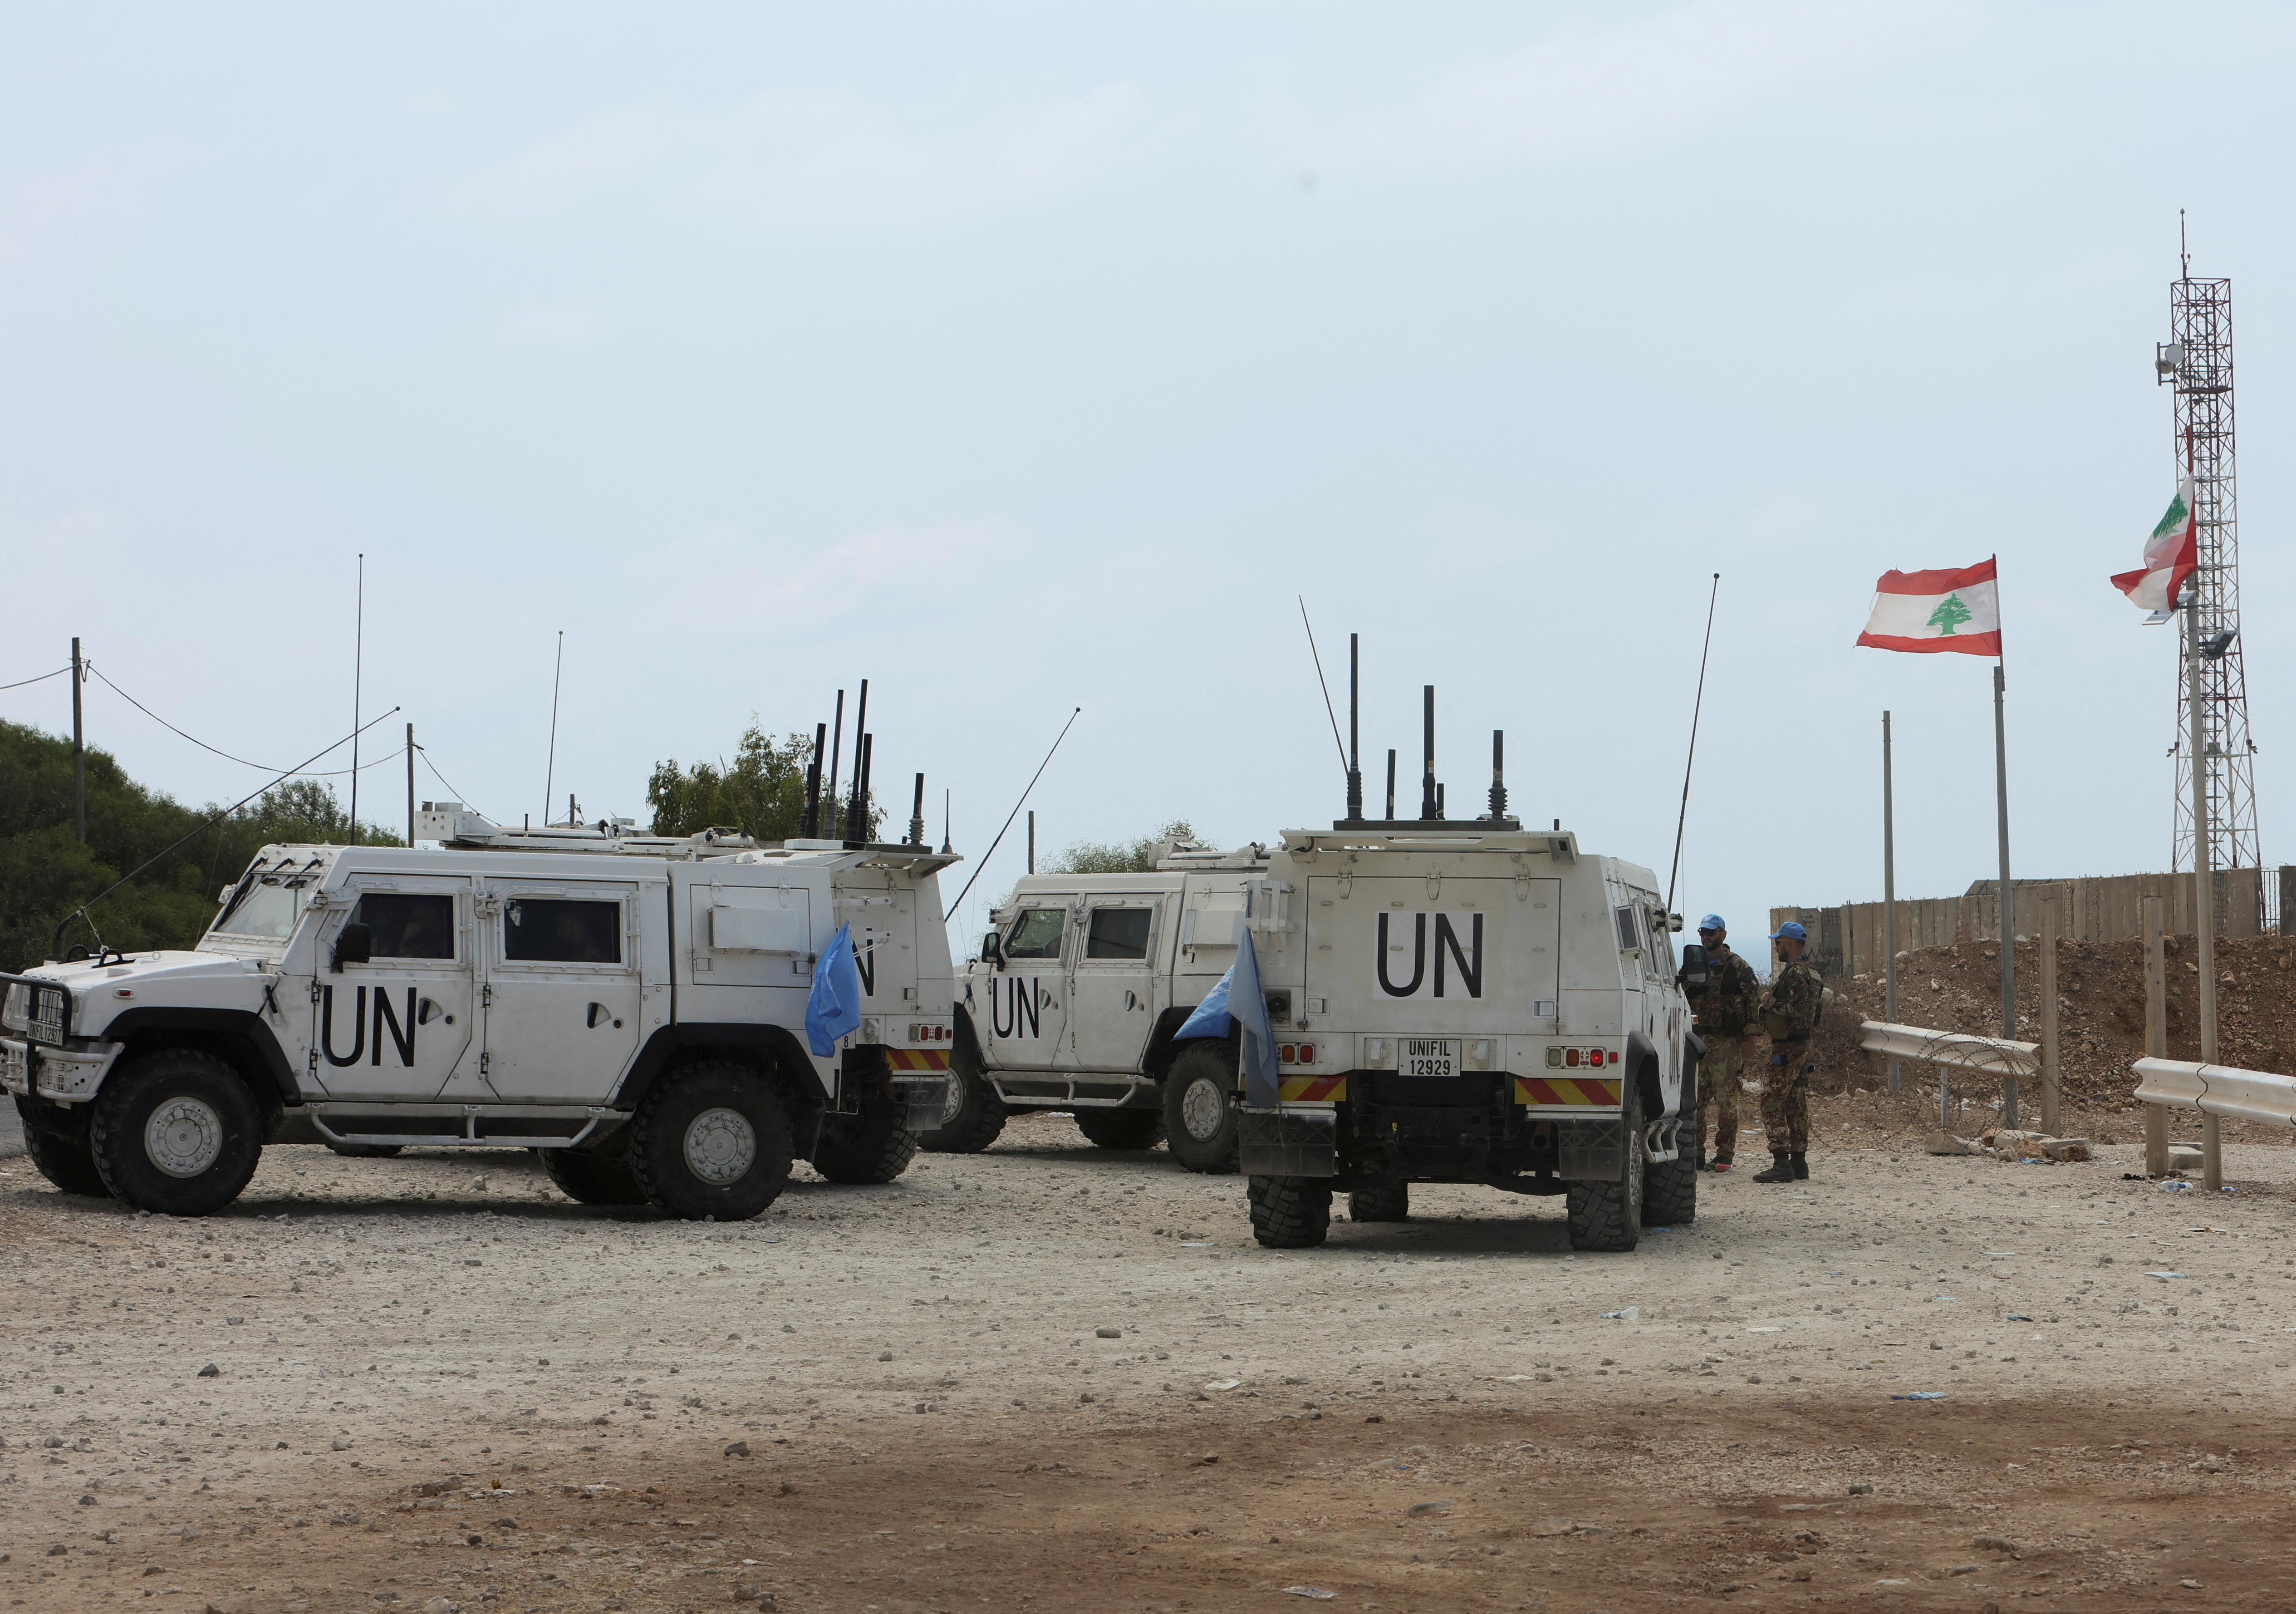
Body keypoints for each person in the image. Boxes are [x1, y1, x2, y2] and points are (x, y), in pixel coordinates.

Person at [1682, 915, 1760, 1172]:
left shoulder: (1737, 967)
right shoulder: (1696, 966)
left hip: (1726, 1043)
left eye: (1711, 933)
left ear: (1723, 935)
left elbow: (1752, 1003)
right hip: (1699, 1040)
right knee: (1695, 1100)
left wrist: (1750, 1039)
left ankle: (1725, 1154)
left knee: (1727, 1101)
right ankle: (1696, 1153)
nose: (1706, 937)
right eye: (1703, 932)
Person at [1754, 920, 1823, 1183]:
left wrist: (1769, 1002)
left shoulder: (1796, 974)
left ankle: (1782, 1162)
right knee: (1795, 1103)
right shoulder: (1813, 974)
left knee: (1771, 1101)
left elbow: (1800, 1012)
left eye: (1779, 943)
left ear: (1790, 944)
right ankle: (1798, 1163)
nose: (1776, 948)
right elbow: (1815, 1016)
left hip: (1789, 1046)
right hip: (1802, 1045)